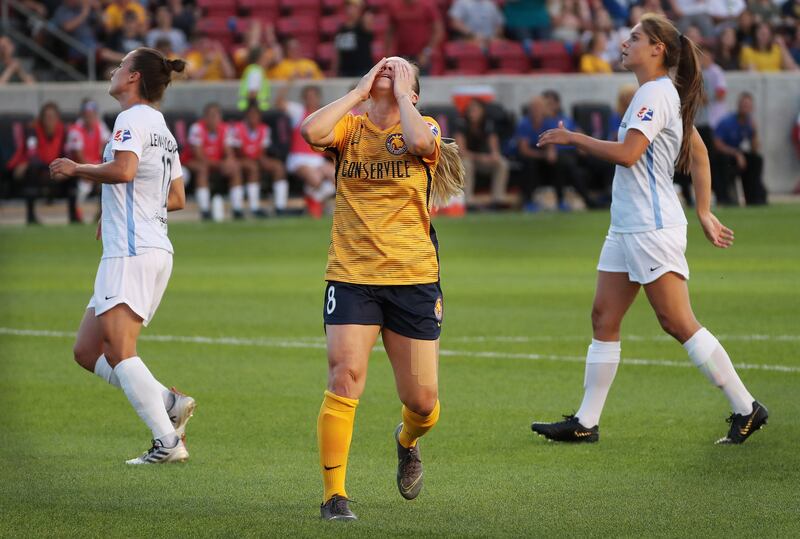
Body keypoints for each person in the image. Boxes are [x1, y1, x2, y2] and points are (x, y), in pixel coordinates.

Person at [531, 14, 767, 445]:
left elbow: (628, 153)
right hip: (628, 226)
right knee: (604, 318)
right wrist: (703, 211)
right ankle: (586, 421)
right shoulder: (659, 94)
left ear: (657, 49)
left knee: (676, 321)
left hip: (650, 227)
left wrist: (575, 138)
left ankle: (746, 407)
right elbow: (697, 154)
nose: (625, 42)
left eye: (635, 37)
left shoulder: (655, 94)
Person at [300, 56, 464, 521]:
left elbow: (416, 140)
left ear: (414, 92)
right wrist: (358, 92)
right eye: (383, 68)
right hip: (352, 276)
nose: (387, 70)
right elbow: (311, 133)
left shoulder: (423, 126)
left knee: (423, 401)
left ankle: (406, 439)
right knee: (344, 377)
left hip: (412, 279)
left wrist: (406, 96)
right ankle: (334, 496)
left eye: (400, 71)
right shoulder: (349, 129)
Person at [49, 47, 195, 464]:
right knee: (86, 349)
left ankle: (167, 442)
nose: (113, 72)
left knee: (118, 349)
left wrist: (78, 168)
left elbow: (126, 171)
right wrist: (117, 211)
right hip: (148, 246)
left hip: (132, 251)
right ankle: (167, 399)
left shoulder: (130, 119)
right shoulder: (163, 128)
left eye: (119, 66)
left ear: (133, 78)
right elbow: (177, 197)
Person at [7, 102, 75, 224]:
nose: (50, 120)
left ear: (57, 119)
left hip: (55, 169)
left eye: (53, 117)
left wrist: (63, 169)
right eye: (47, 117)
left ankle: (74, 216)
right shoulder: (32, 131)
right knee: (31, 169)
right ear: (41, 119)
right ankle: (31, 216)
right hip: (38, 169)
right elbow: (32, 154)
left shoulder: (64, 131)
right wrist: (54, 168)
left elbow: (68, 153)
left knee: (73, 173)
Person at [277, 85, 336, 217]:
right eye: (308, 97)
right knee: (316, 179)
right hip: (299, 158)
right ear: (304, 99)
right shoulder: (298, 111)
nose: (311, 99)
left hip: (317, 159)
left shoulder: (323, 114)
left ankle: (313, 199)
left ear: (318, 98)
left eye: (314, 96)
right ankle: (316, 203)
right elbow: (279, 102)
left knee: (339, 176)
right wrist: (290, 81)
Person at [227, 101, 289, 217]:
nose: (253, 118)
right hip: (241, 160)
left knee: (278, 167)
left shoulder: (264, 129)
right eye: (251, 115)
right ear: (246, 116)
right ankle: (251, 208)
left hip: (256, 159)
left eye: (256, 115)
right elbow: (237, 151)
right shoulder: (238, 129)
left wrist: (261, 159)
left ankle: (280, 207)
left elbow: (262, 150)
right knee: (252, 167)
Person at [186, 103, 244, 220]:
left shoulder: (225, 129)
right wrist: (221, 164)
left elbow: (229, 152)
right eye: (211, 116)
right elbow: (199, 156)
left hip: (216, 163)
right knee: (202, 169)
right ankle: (205, 210)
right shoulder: (197, 128)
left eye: (217, 116)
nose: (214, 119)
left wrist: (229, 161)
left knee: (235, 168)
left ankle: (237, 209)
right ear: (205, 117)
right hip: (191, 162)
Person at [713, 92, 767, 206]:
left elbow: (754, 149)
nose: (745, 108)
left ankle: (754, 198)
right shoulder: (727, 122)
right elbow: (717, 144)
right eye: (743, 105)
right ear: (738, 106)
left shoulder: (749, 123)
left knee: (756, 160)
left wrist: (755, 132)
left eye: (748, 106)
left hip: (738, 155)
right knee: (723, 160)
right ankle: (725, 198)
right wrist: (736, 154)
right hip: (724, 155)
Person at [455, 98, 509, 209]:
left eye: (476, 110)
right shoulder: (461, 124)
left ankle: (497, 198)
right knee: (466, 164)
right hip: (469, 159)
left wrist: (494, 155)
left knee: (502, 163)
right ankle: (468, 200)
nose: (473, 113)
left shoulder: (488, 124)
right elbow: (461, 151)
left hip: (484, 161)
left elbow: (494, 147)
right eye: (471, 110)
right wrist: (481, 157)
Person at [66, 99, 111, 220]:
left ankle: (101, 214)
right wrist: (90, 171)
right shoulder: (76, 129)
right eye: (87, 115)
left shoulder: (100, 126)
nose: (89, 118)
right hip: (77, 167)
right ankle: (78, 215)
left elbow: (109, 146)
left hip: (95, 166)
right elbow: (78, 155)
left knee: (109, 181)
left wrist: (96, 169)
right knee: (83, 186)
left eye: (92, 115)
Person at [385, 0, 444, 75]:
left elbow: (439, 31)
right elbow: (390, 31)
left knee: (422, 84)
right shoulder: (394, 6)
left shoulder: (427, 5)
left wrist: (426, 52)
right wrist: (387, 52)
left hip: (421, 56)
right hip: (401, 56)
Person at [332, 0, 374, 78]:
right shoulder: (341, 30)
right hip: (345, 71)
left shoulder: (363, 26)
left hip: (362, 70)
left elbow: (369, 17)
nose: (350, 10)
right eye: (348, 7)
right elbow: (337, 54)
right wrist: (334, 71)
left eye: (354, 7)